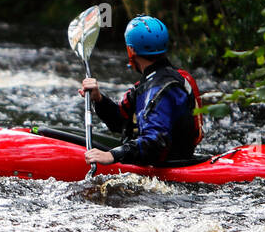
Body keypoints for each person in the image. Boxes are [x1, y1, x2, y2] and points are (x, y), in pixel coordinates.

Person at [79, 15, 203, 167]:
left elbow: (155, 143)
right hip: (173, 158)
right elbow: (121, 122)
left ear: (131, 50)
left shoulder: (156, 90)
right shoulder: (170, 78)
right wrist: (99, 99)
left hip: (169, 166)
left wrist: (113, 155)